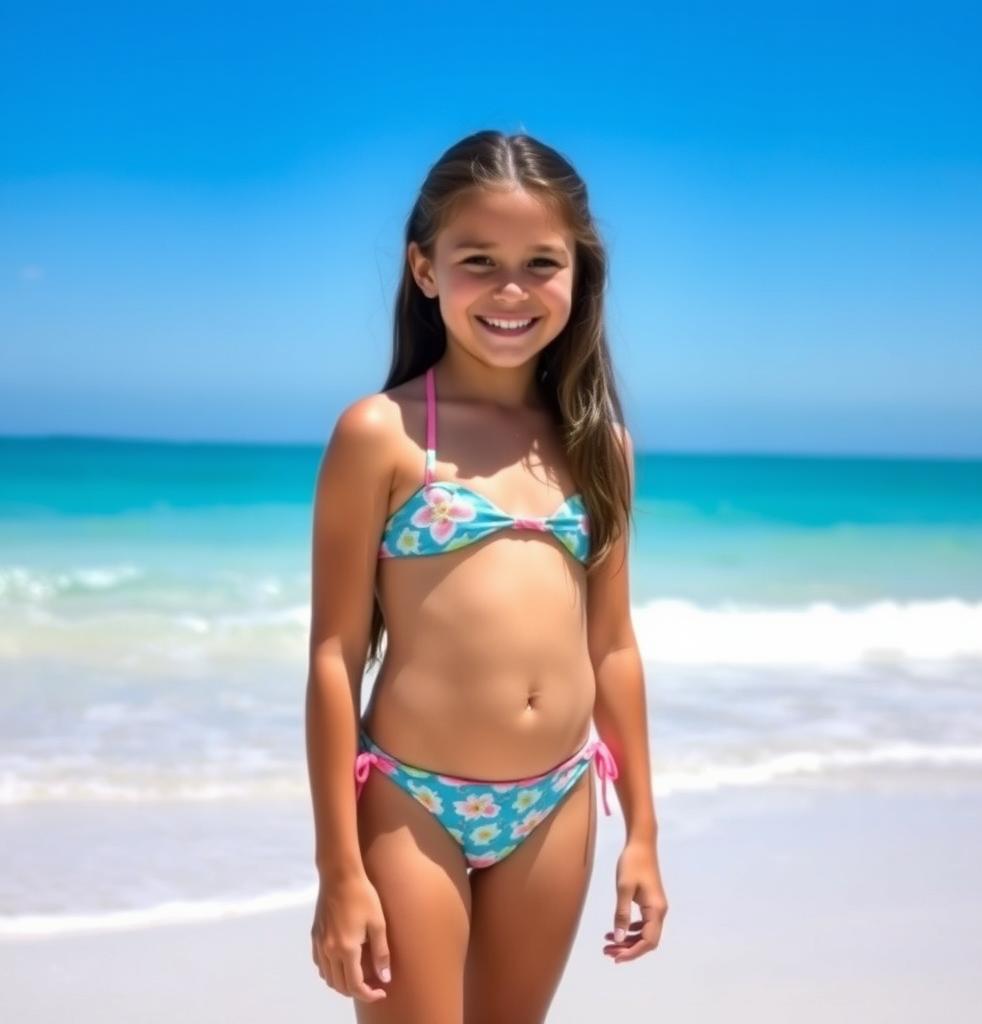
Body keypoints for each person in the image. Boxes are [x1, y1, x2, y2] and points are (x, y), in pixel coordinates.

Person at [306, 129, 667, 1023]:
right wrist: (338, 869)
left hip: (558, 798)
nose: (511, 291)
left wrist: (646, 833)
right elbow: (333, 655)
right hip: (412, 799)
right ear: (426, 270)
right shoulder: (382, 434)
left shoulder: (600, 448)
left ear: (579, 272)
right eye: (479, 261)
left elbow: (613, 644)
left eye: (541, 262)